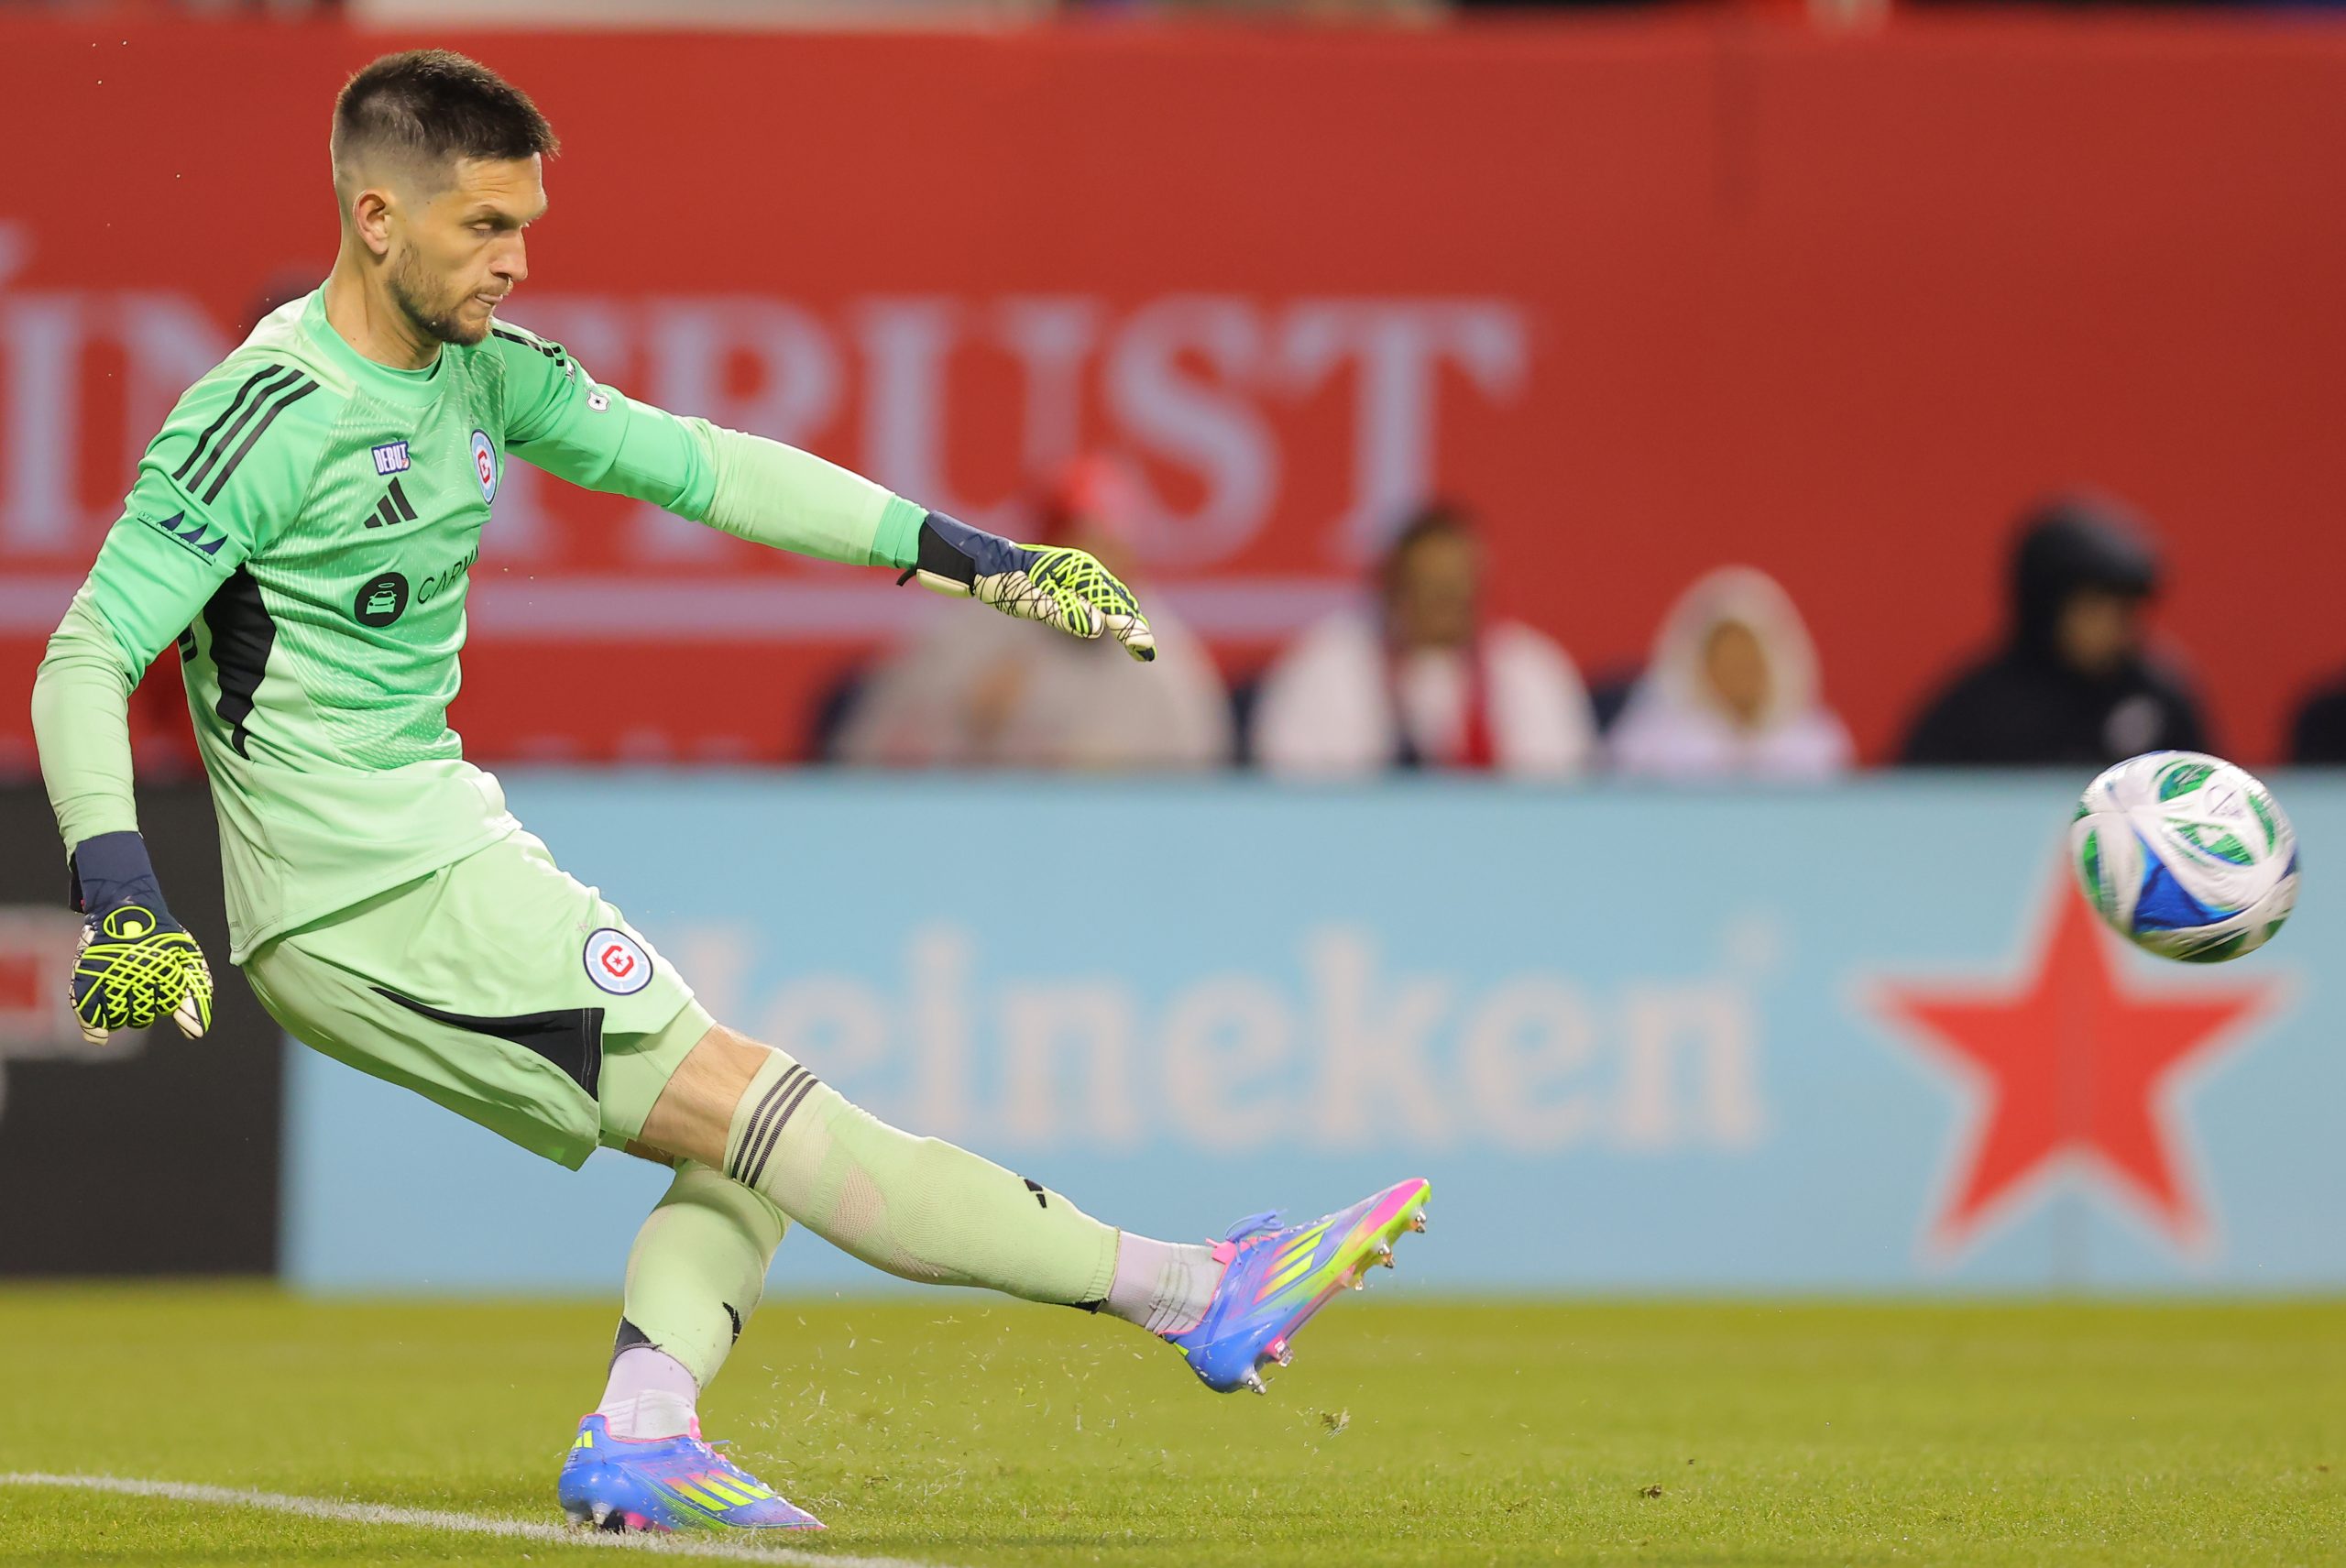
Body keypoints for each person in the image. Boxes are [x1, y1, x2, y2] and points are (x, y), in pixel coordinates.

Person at [28, 51, 1425, 1536]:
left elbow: (707, 468)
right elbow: (86, 653)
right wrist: (122, 890)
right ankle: (1192, 1289)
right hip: (362, 896)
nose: (515, 261)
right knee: (778, 1120)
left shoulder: (484, 370)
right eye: (484, 226)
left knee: (746, 1140)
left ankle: (644, 1430)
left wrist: (984, 560)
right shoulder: (266, 411)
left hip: (439, 852)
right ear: (375, 219)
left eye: (525, 226)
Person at [834, 454, 1231, 769]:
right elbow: (864, 760)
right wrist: (968, 728)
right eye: (1078, 550)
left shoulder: (1166, 662)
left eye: (1109, 550)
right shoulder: (964, 635)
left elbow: (1203, 793)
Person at [1251, 503, 1594, 776]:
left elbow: (1561, 800)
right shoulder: (1326, 668)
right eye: (1429, 590)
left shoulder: (1530, 671)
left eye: (1456, 591)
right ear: (1390, 588)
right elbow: (1289, 793)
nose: (1446, 608)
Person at [1900, 496, 2211, 767]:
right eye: (2093, 609)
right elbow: (1912, 800)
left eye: (2125, 611)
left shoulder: (2158, 695)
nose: (2112, 628)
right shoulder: (1977, 710)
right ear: (2045, 608)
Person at [1607, 566, 1853, 782]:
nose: (1739, 673)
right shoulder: (1651, 746)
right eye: (1726, 662)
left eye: (1749, 660)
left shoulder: (1816, 743)